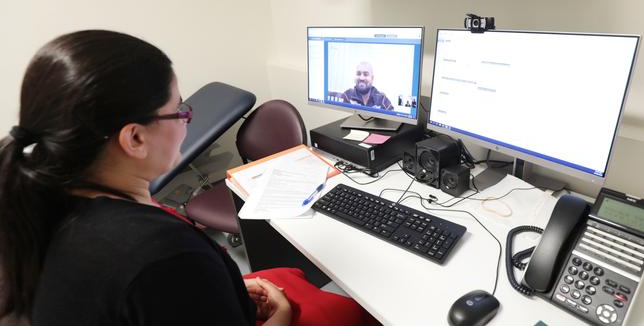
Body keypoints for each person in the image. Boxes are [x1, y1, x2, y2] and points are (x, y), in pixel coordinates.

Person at [0, 30, 378, 326]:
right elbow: (160, 279)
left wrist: (218, 289)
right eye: (178, 110)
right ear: (134, 138)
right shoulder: (159, 255)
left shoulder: (43, 203)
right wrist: (279, 314)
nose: (186, 119)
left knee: (291, 275)